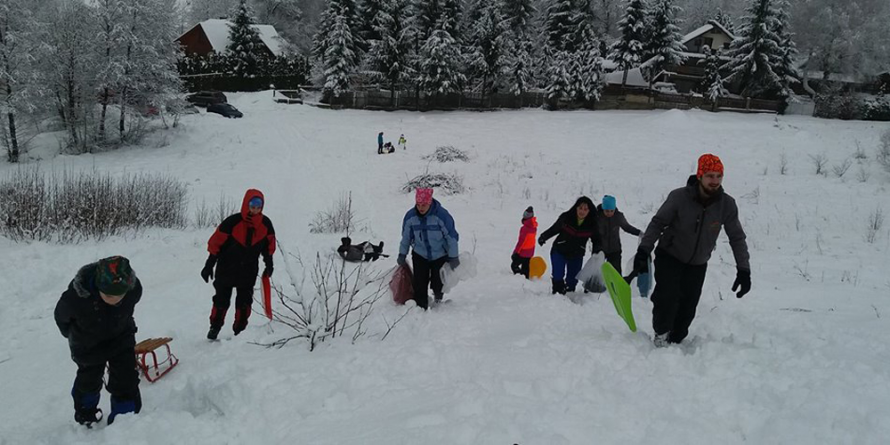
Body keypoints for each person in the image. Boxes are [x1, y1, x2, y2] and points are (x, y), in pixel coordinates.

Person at [633, 154, 751, 347]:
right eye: (710, 176)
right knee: (667, 298)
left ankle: (676, 338)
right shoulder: (679, 197)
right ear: (700, 176)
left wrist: (744, 269)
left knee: (687, 309)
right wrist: (644, 250)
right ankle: (661, 334)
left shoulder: (726, 205)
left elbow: (737, 237)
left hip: (697, 263)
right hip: (670, 255)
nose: (715, 181)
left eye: (719, 176)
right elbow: (658, 223)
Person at [54, 256, 142, 426]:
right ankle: (86, 412)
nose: (114, 300)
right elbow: (61, 318)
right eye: (108, 295)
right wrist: (74, 335)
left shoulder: (134, 289)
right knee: (89, 378)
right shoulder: (76, 298)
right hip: (88, 343)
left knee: (126, 376)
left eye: (119, 295)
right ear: (97, 286)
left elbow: (130, 307)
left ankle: (125, 418)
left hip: (120, 337)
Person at [201, 189, 275, 340]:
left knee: (244, 302)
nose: (255, 209)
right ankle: (215, 327)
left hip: (248, 270)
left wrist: (269, 263)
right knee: (221, 300)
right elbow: (216, 243)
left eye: (258, 206)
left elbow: (269, 247)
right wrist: (209, 264)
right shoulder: (232, 222)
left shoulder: (266, 225)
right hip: (226, 268)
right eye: (252, 205)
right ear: (246, 204)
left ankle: (240, 331)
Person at [397, 188, 460, 309]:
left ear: (430, 203)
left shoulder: (441, 216)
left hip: (440, 254)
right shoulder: (410, 217)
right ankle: (421, 306)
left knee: (438, 281)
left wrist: (453, 257)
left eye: (424, 205)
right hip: (420, 254)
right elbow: (405, 238)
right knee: (419, 282)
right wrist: (402, 254)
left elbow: (451, 237)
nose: (421, 208)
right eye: (418, 204)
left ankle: (437, 299)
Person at [538, 197, 603, 294]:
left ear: (589, 211)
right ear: (576, 208)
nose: (582, 211)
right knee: (558, 275)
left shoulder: (592, 224)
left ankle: (569, 294)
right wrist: (544, 237)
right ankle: (557, 292)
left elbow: (597, 240)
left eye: (585, 209)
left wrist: (597, 251)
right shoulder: (566, 217)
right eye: (580, 208)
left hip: (577, 254)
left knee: (572, 281)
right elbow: (554, 229)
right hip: (559, 250)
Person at [595, 195, 641, 274]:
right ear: (603, 209)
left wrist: (639, 233)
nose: (609, 213)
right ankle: (595, 286)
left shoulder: (618, 216)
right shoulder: (597, 217)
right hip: (599, 249)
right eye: (607, 211)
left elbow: (627, 227)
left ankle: (616, 286)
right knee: (597, 272)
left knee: (616, 272)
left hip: (614, 250)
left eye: (611, 211)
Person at [511, 206, 537, 278]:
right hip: (530, 252)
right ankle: (525, 279)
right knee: (525, 268)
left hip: (523, 252)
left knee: (514, 265)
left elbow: (521, 242)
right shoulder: (534, 227)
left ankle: (519, 277)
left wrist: (515, 252)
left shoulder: (524, 229)